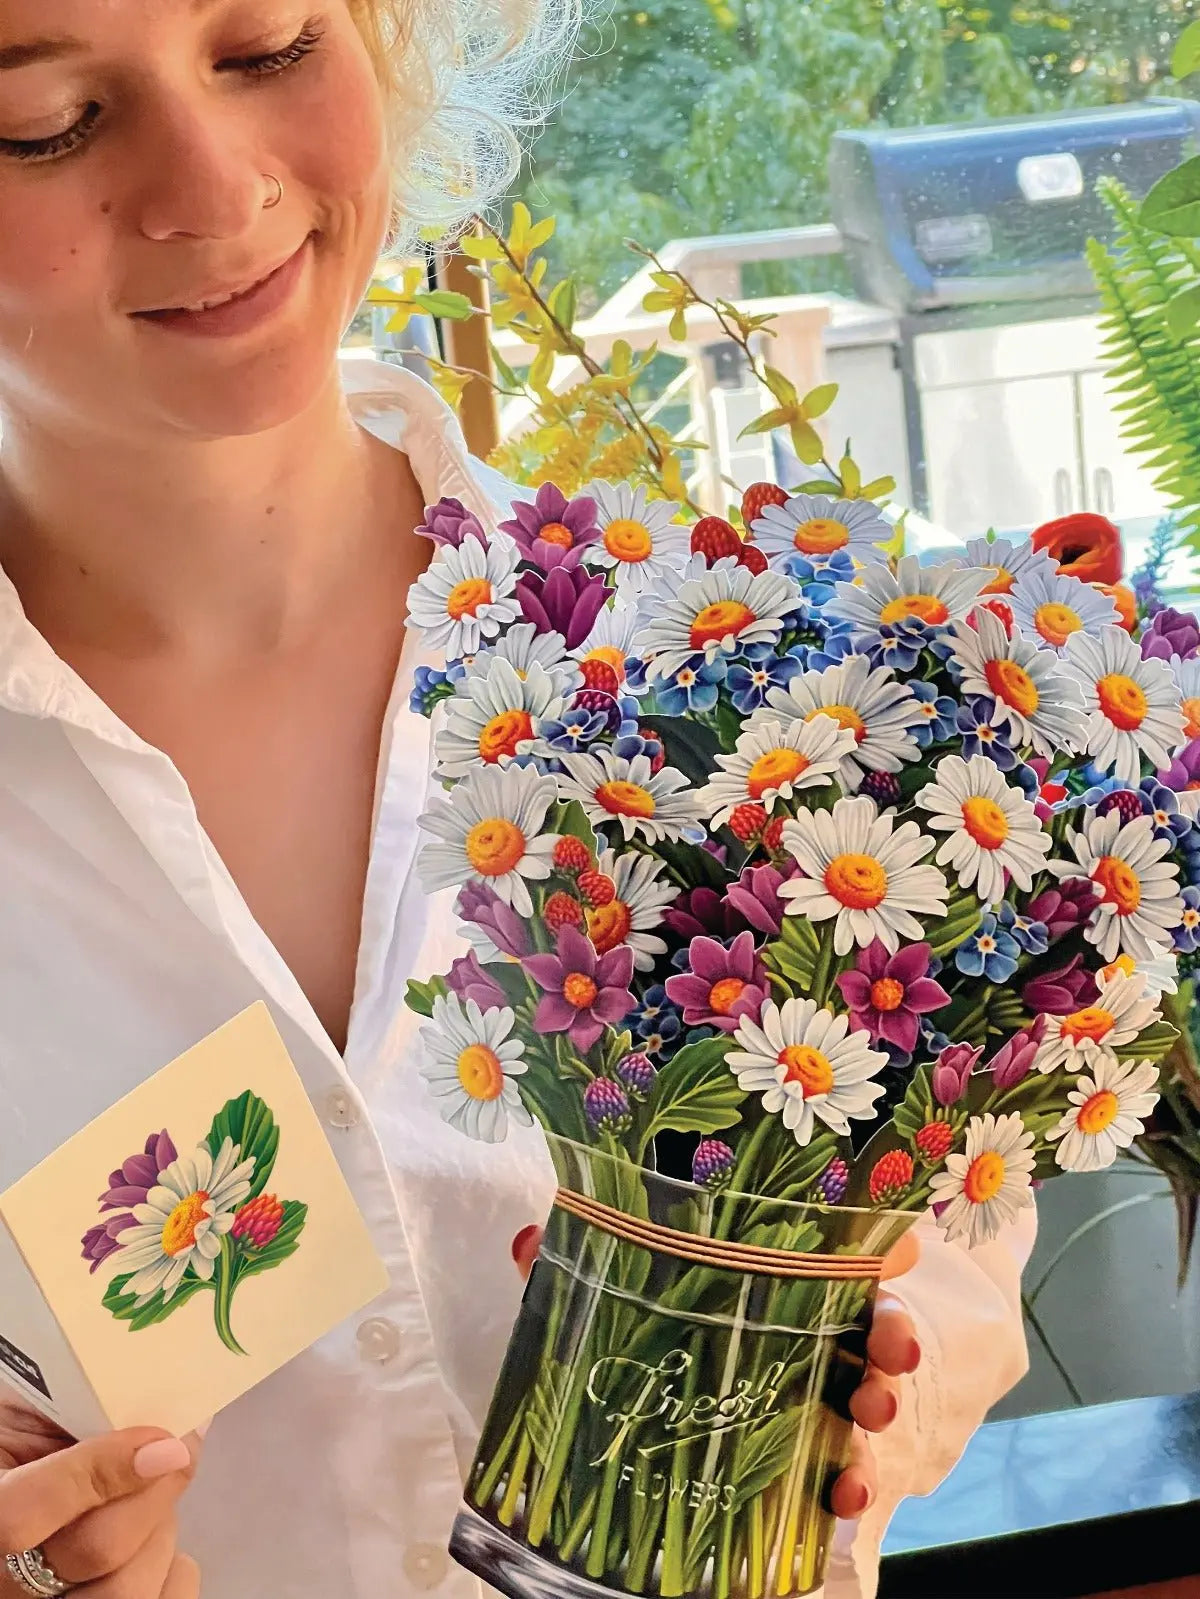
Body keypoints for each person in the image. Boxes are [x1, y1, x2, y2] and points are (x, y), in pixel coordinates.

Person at [0, 1, 1034, 1596]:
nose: (211, 192)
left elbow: (964, 1238)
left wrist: (873, 1366)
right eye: (47, 123)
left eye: (268, 45)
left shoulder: (739, 677)